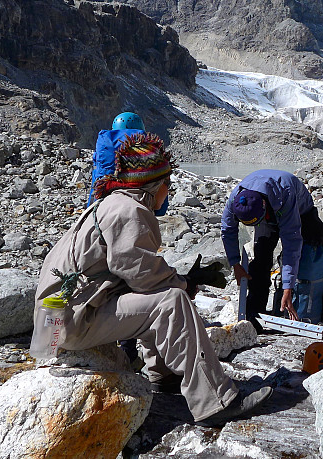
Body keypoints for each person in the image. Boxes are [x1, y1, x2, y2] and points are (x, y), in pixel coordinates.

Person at [35, 133, 270, 426]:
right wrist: (183, 283)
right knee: (171, 301)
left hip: (61, 317)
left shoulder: (111, 203)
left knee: (156, 299)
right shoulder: (129, 211)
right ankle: (215, 401)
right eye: (167, 185)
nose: (168, 192)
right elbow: (143, 276)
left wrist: (175, 279)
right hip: (73, 321)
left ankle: (164, 376)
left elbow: (133, 277)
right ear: (154, 186)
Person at [221, 169, 323, 326]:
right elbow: (227, 230)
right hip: (266, 208)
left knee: (321, 249)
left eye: (258, 222)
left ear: (263, 208)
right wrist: (235, 264)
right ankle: (254, 313)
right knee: (261, 259)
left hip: (301, 210)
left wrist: (288, 288)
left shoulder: (285, 195)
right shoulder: (236, 201)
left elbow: (291, 244)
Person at [88, 112, 168, 216]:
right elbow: (160, 208)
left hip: (103, 209)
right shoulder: (151, 150)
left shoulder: (104, 149)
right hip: (141, 210)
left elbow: (96, 183)